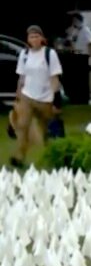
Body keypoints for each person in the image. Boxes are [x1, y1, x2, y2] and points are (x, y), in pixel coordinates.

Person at [10, 25, 63, 166]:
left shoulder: (49, 54)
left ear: (42, 38)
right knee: (23, 126)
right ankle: (20, 156)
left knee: (45, 131)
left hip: (45, 99)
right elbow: (21, 77)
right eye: (31, 36)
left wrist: (57, 101)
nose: (34, 39)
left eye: (36, 36)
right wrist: (17, 98)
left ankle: (52, 156)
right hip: (27, 96)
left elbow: (54, 78)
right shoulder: (24, 54)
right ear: (28, 39)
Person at [60, 12, 91, 105]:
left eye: (75, 20)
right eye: (73, 20)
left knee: (82, 79)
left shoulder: (86, 31)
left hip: (83, 57)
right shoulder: (75, 30)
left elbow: (90, 44)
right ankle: (74, 97)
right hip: (75, 56)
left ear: (79, 20)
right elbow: (71, 42)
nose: (74, 22)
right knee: (75, 79)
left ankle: (83, 99)